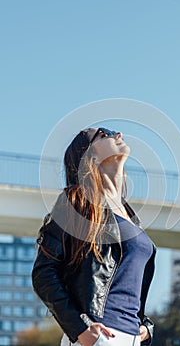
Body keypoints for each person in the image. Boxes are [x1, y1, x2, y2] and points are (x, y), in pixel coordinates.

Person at [32, 127, 156, 346]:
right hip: (98, 337)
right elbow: (44, 272)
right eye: (105, 134)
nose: (118, 133)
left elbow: (129, 281)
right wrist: (80, 328)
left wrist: (145, 327)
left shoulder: (129, 215)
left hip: (132, 339)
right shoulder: (77, 202)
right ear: (92, 154)